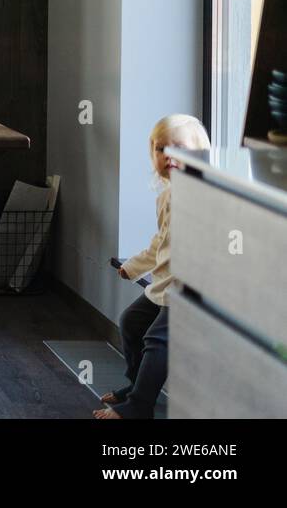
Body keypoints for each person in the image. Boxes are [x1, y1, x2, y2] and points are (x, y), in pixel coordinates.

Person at [94, 113, 211, 419]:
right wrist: (134, 267)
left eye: (178, 148)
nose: (167, 155)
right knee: (132, 321)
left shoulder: (202, 195)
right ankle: (137, 387)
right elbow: (162, 242)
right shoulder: (167, 195)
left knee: (157, 339)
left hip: (191, 287)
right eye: (160, 149)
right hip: (166, 283)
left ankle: (139, 406)